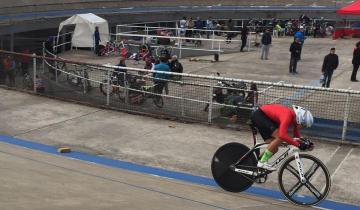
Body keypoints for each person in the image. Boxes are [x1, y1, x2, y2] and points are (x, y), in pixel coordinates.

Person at [251, 104, 314, 170]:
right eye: (304, 126)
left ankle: (257, 162)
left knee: (274, 148)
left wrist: (305, 143)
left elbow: (296, 136)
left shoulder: (295, 119)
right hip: (260, 115)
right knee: (280, 137)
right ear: (300, 121)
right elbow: (282, 135)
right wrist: (298, 144)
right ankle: (262, 162)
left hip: (266, 118)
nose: (304, 128)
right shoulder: (288, 116)